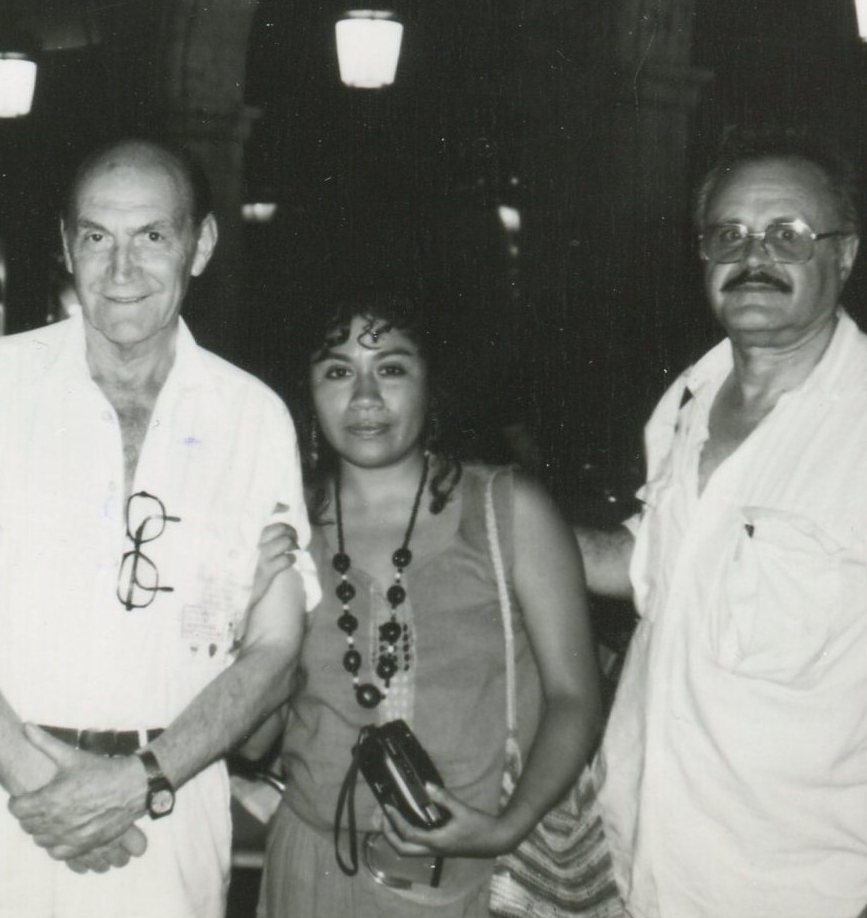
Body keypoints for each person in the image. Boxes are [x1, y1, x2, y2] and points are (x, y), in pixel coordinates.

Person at [0, 139, 319, 918]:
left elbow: (274, 649)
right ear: (67, 246)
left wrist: (140, 779)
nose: (121, 268)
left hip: (162, 826)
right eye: (97, 237)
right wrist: (48, 788)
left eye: (152, 236)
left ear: (199, 245)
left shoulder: (253, 419)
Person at [582, 129, 867, 918]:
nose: (752, 254)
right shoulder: (692, 393)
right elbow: (650, 564)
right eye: (728, 234)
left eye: (788, 234)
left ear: (846, 254)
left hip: (804, 887)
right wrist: (494, 514)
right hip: (652, 867)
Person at [254, 294, 605, 917]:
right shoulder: (285, 527)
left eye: (390, 368)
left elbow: (576, 695)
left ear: (431, 383)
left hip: (474, 877)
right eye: (338, 372)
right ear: (306, 391)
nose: (364, 397)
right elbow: (257, 744)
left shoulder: (508, 509)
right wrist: (250, 609)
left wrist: (508, 825)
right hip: (313, 873)